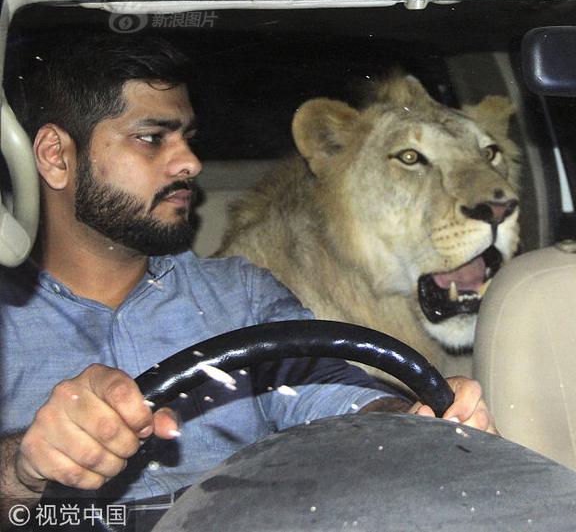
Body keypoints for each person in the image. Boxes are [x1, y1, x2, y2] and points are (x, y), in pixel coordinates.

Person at [0, 32, 494, 526]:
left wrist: (409, 421)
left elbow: (333, 399)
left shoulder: (241, 293)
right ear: (55, 156)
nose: (190, 162)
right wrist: (24, 471)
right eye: (153, 138)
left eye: (187, 138)